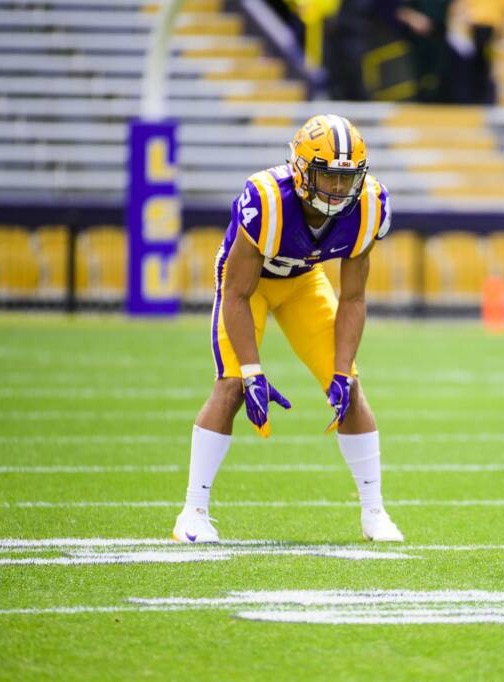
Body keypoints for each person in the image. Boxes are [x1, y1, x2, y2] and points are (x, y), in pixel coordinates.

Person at [172, 114, 403, 544]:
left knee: (349, 388)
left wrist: (341, 368)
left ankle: (375, 512)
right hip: (251, 285)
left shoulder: (369, 206)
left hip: (303, 284)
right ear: (300, 172)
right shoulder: (267, 199)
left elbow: (353, 298)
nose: (338, 189)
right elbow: (237, 293)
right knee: (232, 385)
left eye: (346, 178)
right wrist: (253, 371)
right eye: (328, 177)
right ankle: (193, 511)